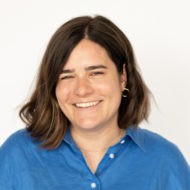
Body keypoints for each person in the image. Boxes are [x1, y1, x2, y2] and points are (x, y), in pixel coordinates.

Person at [0, 15, 189, 190]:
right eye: (67, 76)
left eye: (96, 73)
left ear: (122, 77)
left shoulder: (165, 161)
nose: (82, 89)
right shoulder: (17, 156)